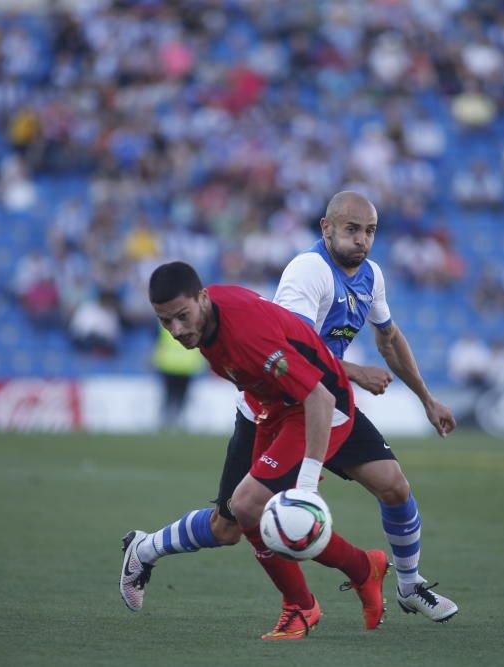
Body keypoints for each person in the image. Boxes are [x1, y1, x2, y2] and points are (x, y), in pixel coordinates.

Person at [121, 192, 459, 633]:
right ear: (327, 228)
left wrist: (426, 398)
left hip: (320, 400)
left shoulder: (370, 277)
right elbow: (294, 345)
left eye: (370, 231)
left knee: (393, 487)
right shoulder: (307, 272)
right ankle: (148, 550)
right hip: (286, 403)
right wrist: (353, 374)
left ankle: (406, 586)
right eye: (351, 229)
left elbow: (387, 340)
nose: (361, 240)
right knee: (236, 521)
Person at [144, 260, 389, 639]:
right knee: (249, 516)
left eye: (181, 316)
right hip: (274, 406)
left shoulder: (245, 335)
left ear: (203, 298)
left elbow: (320, 398)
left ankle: (302, 607)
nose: (176, 330)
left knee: (247, 505)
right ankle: (362, 569)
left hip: (317, 407)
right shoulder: (209, 318)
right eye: (165, 322)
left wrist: (306, 486)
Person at [151, 325, 205, 431]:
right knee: (180, 397)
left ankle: (166, 422)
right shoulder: (194, 324)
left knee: (169, 396)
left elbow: (157, 342)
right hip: (185, 365)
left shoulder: (164, 325)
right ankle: (175, 422)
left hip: (169, 364)